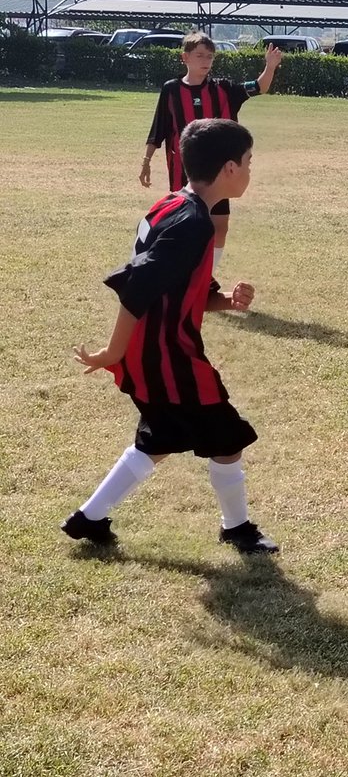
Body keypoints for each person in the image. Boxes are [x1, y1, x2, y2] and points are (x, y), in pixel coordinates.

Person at [63, 119, 277, 554]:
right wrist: (112, 352)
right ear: (230, 168)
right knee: (225, 436)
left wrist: (224, 299)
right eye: (250, 162)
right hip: (166, 353)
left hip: (153, 349)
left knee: (162, 435)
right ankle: (237, 529)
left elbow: (175, 285)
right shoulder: (194, 223)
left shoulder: (173, 205)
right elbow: (138, 285)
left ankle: (90, 517)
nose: (252, 170)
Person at [142, 33, 283, 268]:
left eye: (209, 56)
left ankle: (206, 276)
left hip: (217, 173)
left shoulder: (224, 89)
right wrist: (145, 162)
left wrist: (270, 66)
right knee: (185, 223)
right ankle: (180, 270)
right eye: (199, 55)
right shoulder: (171, 90)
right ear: (185, 57)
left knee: (219, 225)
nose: (205, 61)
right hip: (183, 171)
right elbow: (159, 130)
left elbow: (259, 87)